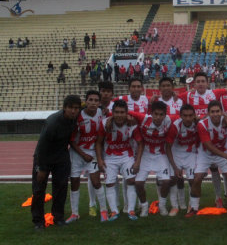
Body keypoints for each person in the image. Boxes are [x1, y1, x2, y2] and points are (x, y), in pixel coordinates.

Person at [31, 95, 81, 229]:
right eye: (70, 108)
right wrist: (41, 168)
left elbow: (91, 107)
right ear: (64, 108)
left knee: (61, 188)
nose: (73, 111)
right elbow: (42, 145)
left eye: (76, 108)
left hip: (61, 157)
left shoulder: (76, 117)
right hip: (44, 157)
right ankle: (38, 221)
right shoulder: (53, 122)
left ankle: (58, 218)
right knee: (38, 189)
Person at [187, 101, 227, 217]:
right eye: (212, 112)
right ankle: (194, 207)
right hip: (205, 153)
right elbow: (208, 145)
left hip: (222, 151)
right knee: (197, 179)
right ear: (208, 113)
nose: (215, 114)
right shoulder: (202, 124)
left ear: (222, 112)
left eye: (218, 111)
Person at [96, 100, 144, 221]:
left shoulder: (132, 124)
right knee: (110, 183)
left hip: (126, 156)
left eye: (122, 112)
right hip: (109, 157)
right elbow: (98, 143)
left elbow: (140, 143)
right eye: (116, 112)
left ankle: (131, 210)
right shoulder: (104, 123)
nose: (119, 115)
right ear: (112, 112)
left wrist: (137, 161)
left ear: (127, 113)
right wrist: (100, 160)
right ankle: (114, 211)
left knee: (131, 181)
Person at [66, 90, 109, 224]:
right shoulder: (78, 117)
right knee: (74, 182)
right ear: (86, 101)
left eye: (96, 101)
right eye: (91, 100)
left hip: (92, 153)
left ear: (99, 103)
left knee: (96, 182)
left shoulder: (102, 114)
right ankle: (75, 213)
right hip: (77, 153)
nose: (93, 103)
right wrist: (83, 154)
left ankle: (103, 211)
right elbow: (71, 140)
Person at [169, 104, 199, 213]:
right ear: (180, 116)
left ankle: (191, 204)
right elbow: (167, 147)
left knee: (192, 180)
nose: (188, 118)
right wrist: (174, 166)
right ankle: (176, 205)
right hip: (176, 153)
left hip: (191, 153)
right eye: (185, 115)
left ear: (194, 116)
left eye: (190, 115)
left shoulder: (198, 124)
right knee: (174, 179)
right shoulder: (175, 126)